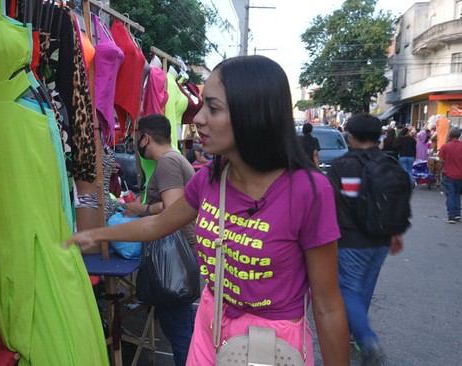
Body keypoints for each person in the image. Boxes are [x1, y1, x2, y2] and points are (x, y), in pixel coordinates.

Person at [64, 55, 349, 366]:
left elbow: (328, 306)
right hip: (210, 322)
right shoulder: (211, 178)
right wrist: (95, 234)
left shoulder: (308, 191)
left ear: (253, 115)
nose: (198, 119)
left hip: (270, 344)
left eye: (213, 109)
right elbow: (157, 225)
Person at [327, 113, 407, 366]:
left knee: (347, 289)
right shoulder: (390, 164)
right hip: (381, 241)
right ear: (379, 136)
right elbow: (396, 201)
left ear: (350, 135)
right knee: (363, 288)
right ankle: (357, 336)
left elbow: (329, 206)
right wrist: (395, 233)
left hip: (350, 241)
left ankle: (367, 339)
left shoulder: (342, 166)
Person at [121, 113, 197, 366]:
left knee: (178, 331)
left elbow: (172, 207)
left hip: (174, 254)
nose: (136, 145)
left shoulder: (167, 163)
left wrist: (139, 210)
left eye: (136, 139)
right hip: (181, 252)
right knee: (182, 326)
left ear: (146, 137)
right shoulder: (176, 159)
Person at [438, 128, 462, 223]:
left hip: (448, 173)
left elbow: (441, 161)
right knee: (457, 194)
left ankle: (451, 216)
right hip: (460, 174)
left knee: (450, 195)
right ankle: (457, 214)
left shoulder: (445, 146)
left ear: (450, 135)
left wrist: (438, 172)